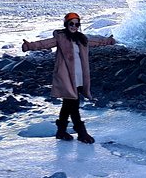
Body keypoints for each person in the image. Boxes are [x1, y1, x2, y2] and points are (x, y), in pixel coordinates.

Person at [21, 12, 115, 144]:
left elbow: (96, 42)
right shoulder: (61, 37)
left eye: (77, 24)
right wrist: (29, 46)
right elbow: (44, 43)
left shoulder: (82, 38)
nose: (74, 26)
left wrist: (108, 41)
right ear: (66, 24)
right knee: (73, 103)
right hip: (66, 77)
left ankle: (61, 131)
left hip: (79, 77)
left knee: (67, 104)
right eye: (71, 23)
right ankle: (81, 132)